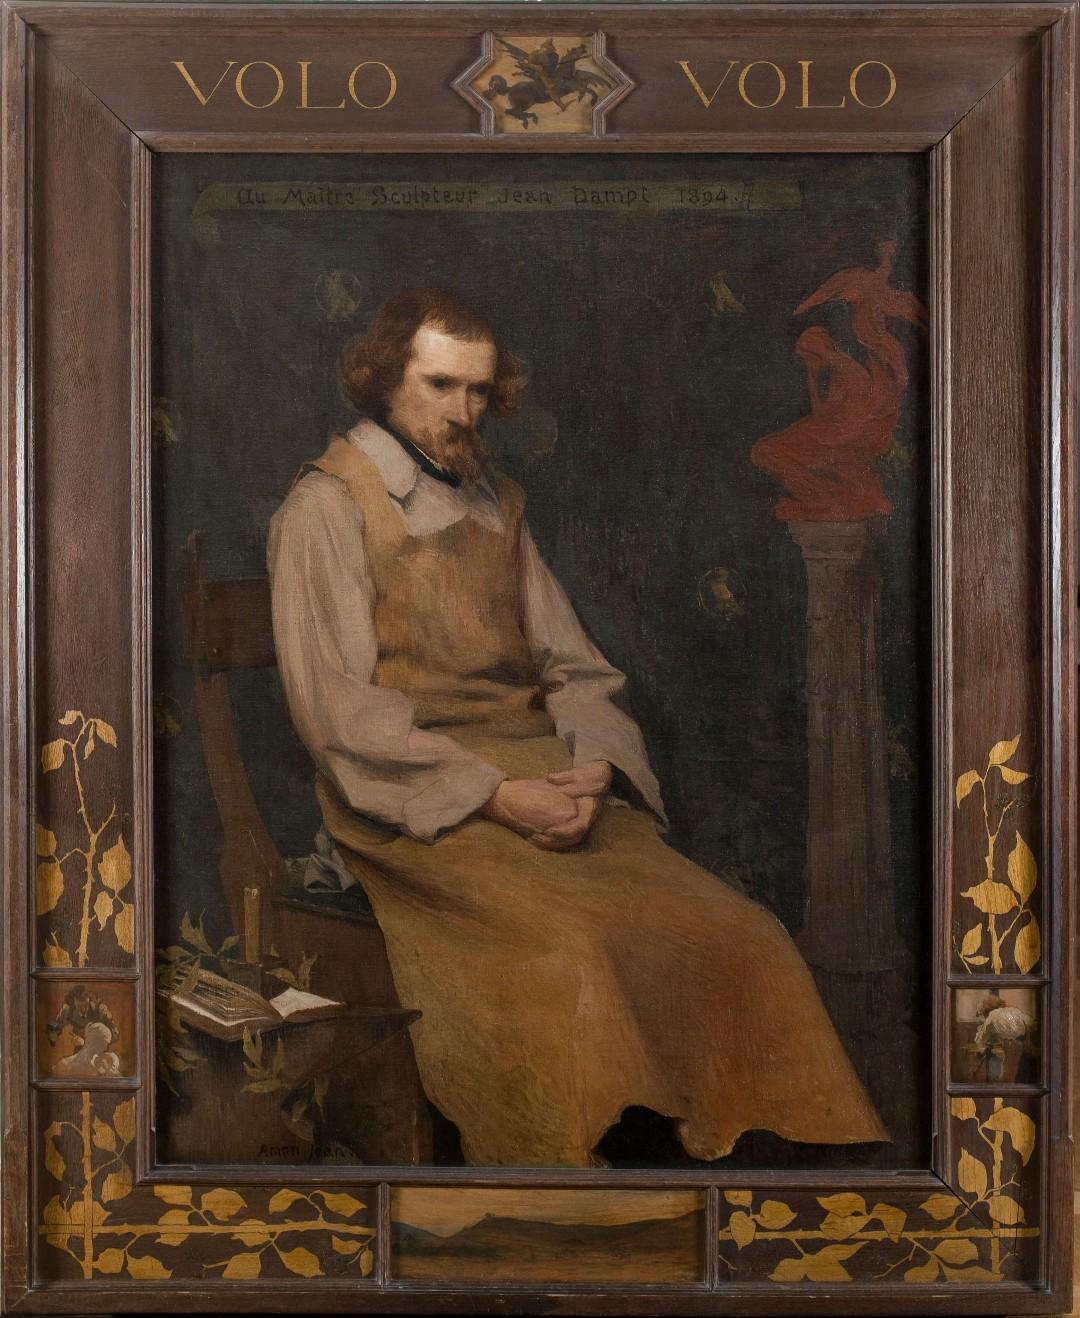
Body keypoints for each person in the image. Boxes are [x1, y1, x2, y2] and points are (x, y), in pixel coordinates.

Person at [267, 287, 888, 1167]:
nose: (464, 411)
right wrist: (495, 797)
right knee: (574, 948)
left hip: (544, 776)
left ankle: (759, 1169)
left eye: (479, 390)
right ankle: (565, 1178)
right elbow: (339, 715)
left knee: (738, 931)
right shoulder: (324, 509)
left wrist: (595, 763)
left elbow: (575, 666)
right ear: (382, 379)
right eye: (441, 386)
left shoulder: (495, 503)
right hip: (414, 806)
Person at [971, 995, 1034, 1083]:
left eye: (981, 1014)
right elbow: (1031, 1023)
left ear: (985, 1010)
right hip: (1021, 1051)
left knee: (995, 1060)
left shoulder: (992, 1016)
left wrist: (980, 1045)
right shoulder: (1015, 1011)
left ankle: (995, 1084)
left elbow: (980, 1040)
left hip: (1008, 1051)